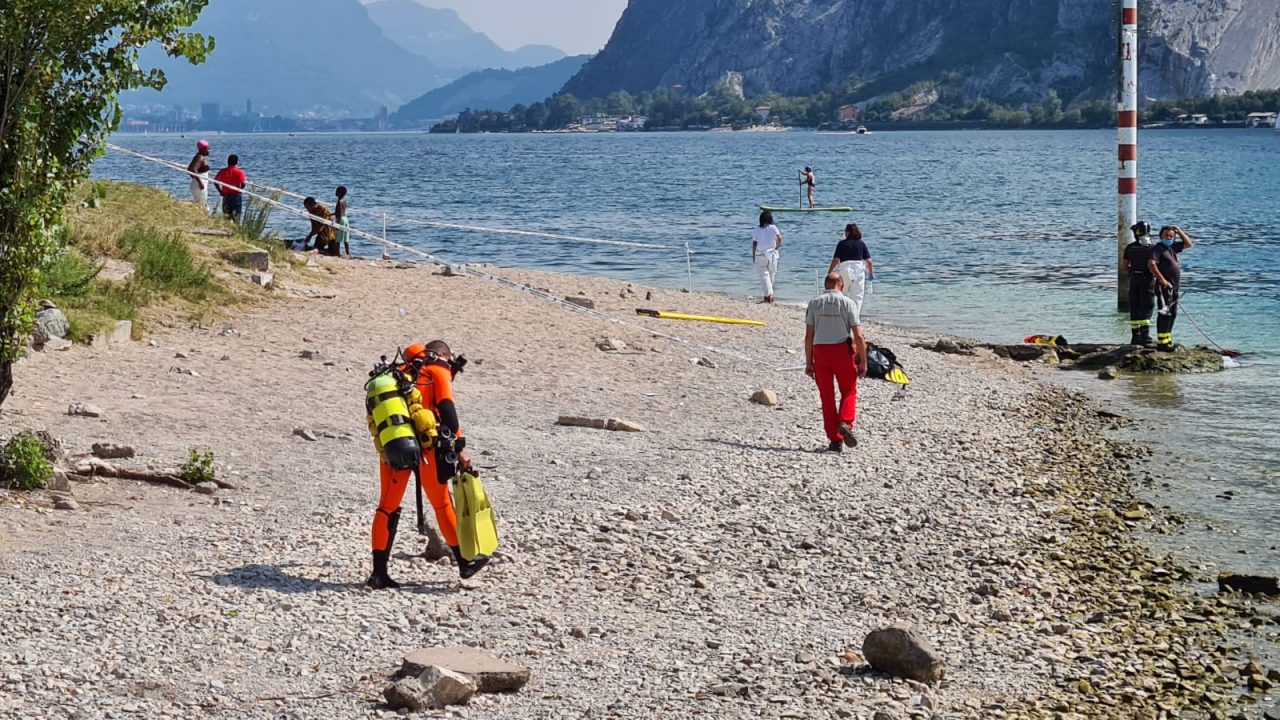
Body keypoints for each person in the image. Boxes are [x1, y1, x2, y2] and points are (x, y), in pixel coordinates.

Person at [369, 340, 484, 589]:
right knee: (442, 504)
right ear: (443, 354)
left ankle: (379, 573)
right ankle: (466, 562)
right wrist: (460, 447)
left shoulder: (397, 373)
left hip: (394, 444)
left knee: (387, 507)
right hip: (427, 448)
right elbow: (447, 408)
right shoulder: (437, 370)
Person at [805, 273, 867, 453]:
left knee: (827, 397)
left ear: (825, 285)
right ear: (841, 284)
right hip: (841, 350)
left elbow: (809, 335)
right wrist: (863, 360)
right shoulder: (848, 303)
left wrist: (809, 362)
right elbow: (858, 335)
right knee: (849, 389)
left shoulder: (814, 303)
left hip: (820, 351)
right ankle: (845, 422)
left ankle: (834, 440)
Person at [1147, 225, 1194, 351]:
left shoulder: (1172, 248)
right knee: (1164, 313)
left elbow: (1188, 244)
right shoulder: (1157, 249)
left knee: (1173, 314)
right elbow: (1151, 264)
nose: (1169, 238)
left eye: (1171, 236)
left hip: (1174, 287)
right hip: (1164, 287)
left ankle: (1167, 339)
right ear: (1161, 236)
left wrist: (1179, 231)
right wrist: (1162, 280)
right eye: (1166, 236)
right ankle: (1162, 342)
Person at [827, 223, 875, 318]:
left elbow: (836, 260)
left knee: (842, 293)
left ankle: (841, 316)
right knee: (857, 296)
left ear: (848, 232)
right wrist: (870, 274)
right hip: (859, 270)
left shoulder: (842, 244)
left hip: (845, 268)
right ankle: (854, 318)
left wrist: (830, 272)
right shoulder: (861, 244)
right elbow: (869, 261)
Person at [1122, 221, 1156, 346]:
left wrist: (1133, 272)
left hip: (1134, 279)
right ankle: (1145, 337)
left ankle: (1135, 337)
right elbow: (1155, 265)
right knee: (1147, 307)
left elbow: (1125, 266)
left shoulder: (1130, 247)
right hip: (1148, 279)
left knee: (1135, 307)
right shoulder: (1153, 248)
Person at [752, 210, 783, 303]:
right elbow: (780, 238)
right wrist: (777, 246)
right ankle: (768, 295)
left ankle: (768, 295)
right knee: (771, 274)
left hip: (761, 254)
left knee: (764, 276)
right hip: (772, 254)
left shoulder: (757, 229)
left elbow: (754, 243)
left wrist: (753, 255)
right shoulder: (773, 228)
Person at [213, 155, 247, 223]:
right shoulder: (240, 172)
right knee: (237, 217)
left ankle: (226, 230)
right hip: (236, 196)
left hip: (226, 196)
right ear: (237, 162)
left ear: (227, 162)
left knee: (226, 216)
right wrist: (240, 189)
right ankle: (236, 231)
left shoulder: (223, 171)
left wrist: (220, 191)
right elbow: (243, 183)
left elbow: (216, 182)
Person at [187, 140, 211, 214]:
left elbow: (189, 169)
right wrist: (200, 182)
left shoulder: (199, 157)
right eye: (208, 149)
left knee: (201, 205)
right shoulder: (200, 157)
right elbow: (193, 169)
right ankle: (203, 221)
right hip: (200, 186)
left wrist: (195, 179)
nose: (209, 151)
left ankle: (200, 219)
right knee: (203, 206)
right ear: (202, 149)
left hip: (197, 184)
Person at [334, 186, 351, 256]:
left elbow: (339, 213)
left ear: (340, 193)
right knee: (345, 238)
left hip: (340, 219)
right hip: (345, 219)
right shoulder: (344, 200)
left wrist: (337, 223)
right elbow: (342, 211)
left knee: (337, 239)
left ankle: (338, 253)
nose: (335, 192)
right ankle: (348, 253)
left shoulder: (339, 201)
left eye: (336, 191)